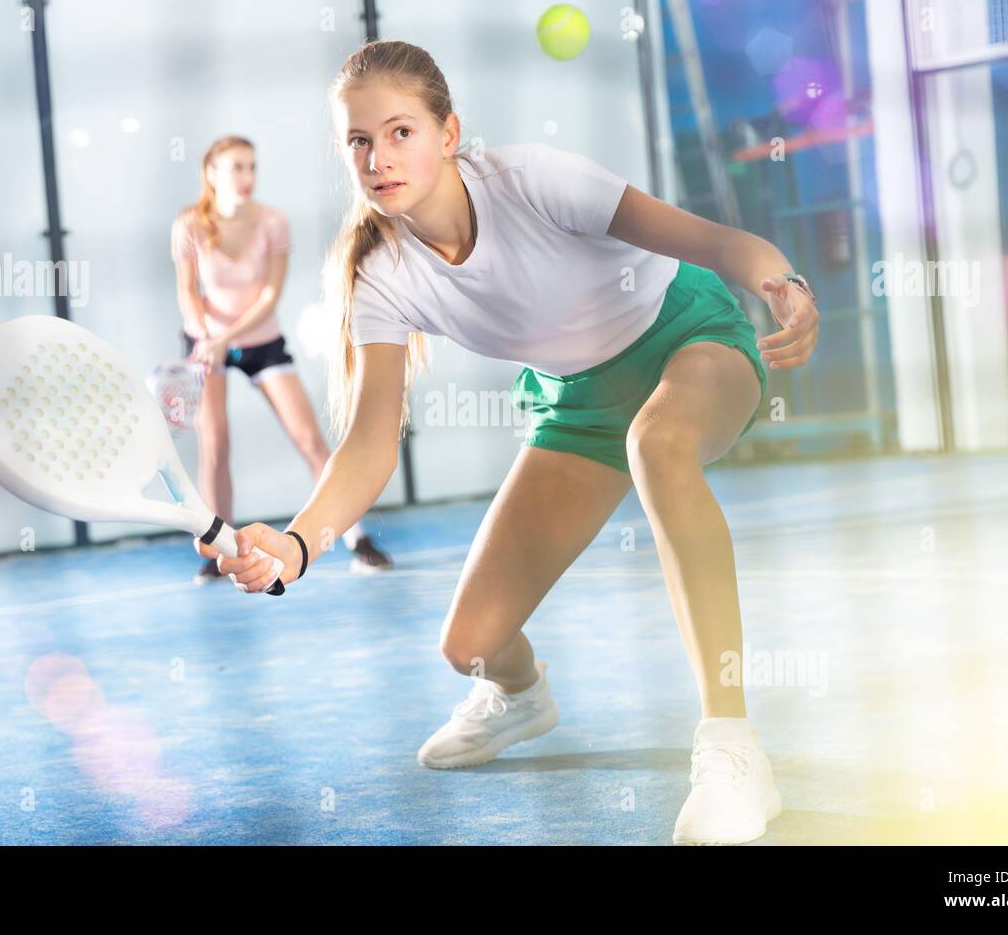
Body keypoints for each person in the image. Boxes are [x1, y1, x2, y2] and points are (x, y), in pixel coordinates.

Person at [200, 42, 820, 845]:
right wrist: (293, 544)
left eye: (399, 133)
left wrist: (788, 287)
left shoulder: (534, 180)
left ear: (448, 131)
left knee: (657, 444)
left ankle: (734, 752)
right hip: (578, 400)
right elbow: (368, 443)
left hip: (687, 336)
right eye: (358, 141)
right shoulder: (378, 273)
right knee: (472, 645)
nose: (378, 158)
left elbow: (719, 245)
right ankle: (521, 698)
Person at [172, 135, 394, 585]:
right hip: (205, 345)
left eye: (251, 166)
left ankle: (357, 539)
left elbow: (270, 295)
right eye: (235, 167)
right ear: (211, 174)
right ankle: (217, 552)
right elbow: (187, 292)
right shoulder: (189, 225)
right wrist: (207, 339)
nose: (247, 176)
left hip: (261, 341)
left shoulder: (273, 222)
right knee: (215, 446)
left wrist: (227, 337)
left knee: (310, 440)